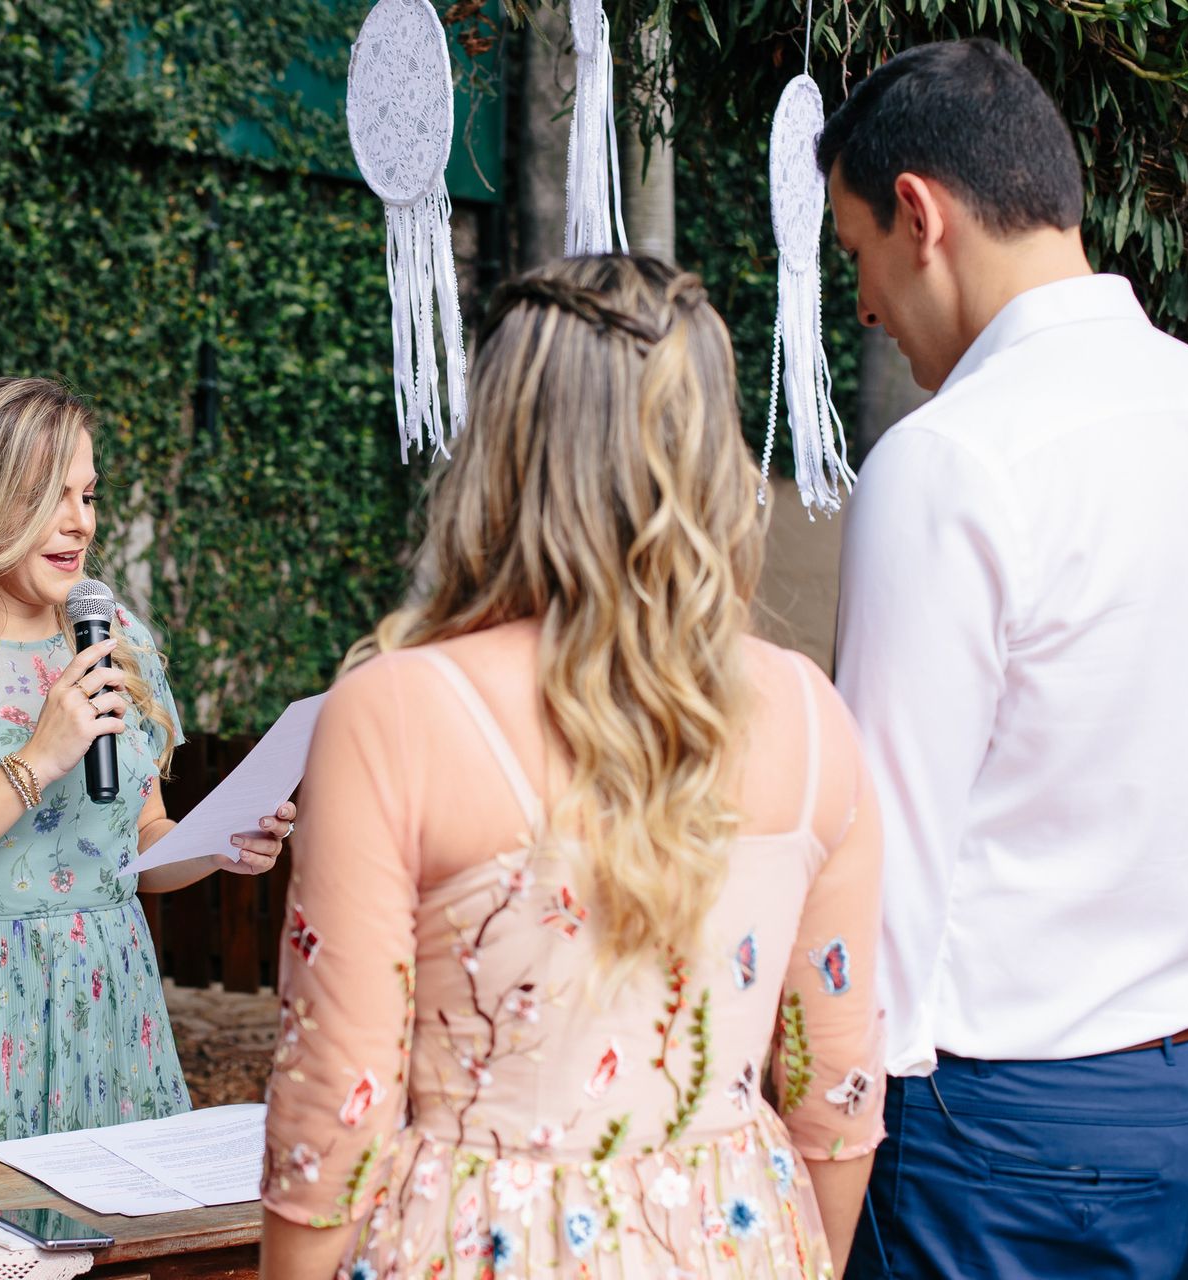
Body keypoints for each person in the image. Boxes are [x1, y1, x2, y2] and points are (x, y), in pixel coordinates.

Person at [259, 254, 886, 1279]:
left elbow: (336, 1112)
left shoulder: (398, 708)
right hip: (742, 1241)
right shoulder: (813, 717)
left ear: (500, 446)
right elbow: (837, 1094)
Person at [823, 39, 1188, 1279]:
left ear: (918, 212)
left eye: (857, 255)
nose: (864, 303)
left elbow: (887, 871)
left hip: (988, 1121)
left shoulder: (946, 460)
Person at [0, 376, 294, 1157]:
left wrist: (215, 845)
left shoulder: (115, 639)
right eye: (50, 497)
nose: (80, 524)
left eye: (88, 495)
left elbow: (139, 848)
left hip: (114, 1005)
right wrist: (34, 762)